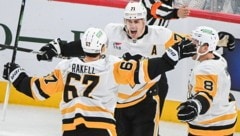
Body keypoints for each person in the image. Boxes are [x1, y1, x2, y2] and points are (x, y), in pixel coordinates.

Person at [2, 27, 196, 136]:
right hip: (102, 130)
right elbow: (146, 70)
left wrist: (16, 75)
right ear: (103, 47)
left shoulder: (65, 67)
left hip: (71, 131)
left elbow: (37, 90)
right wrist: (172, 55)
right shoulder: (112, 65)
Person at [36, 2, 192, 136]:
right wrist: (60, 49)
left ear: (144, 21)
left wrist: (212, 44)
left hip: (146, 99)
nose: (132, 25)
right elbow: (89, 45)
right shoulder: (112, 32)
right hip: (117, 101)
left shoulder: (161, 35)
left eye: (137, 21)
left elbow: (190, 43)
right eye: (129, 21)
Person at [176, 26, 238, 136]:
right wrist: (217, 41)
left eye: (195, 43)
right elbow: (210, 48)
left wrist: (195, 106)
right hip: (223, 119)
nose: (189, 46)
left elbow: (205, 94)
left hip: (211, 126)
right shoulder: (217, 57)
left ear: (205, 48)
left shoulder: (206, 69)